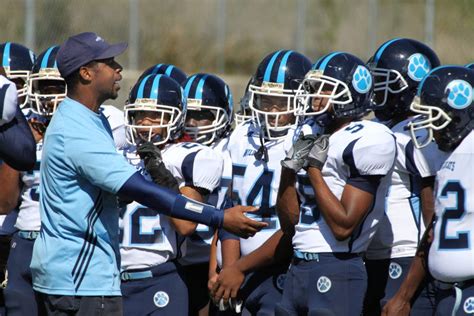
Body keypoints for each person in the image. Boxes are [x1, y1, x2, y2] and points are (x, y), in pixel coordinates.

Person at [30, 32, 265, 315]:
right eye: (109, 62)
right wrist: (218, 217)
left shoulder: (93, 121)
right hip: (79, 278)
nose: (119, 69)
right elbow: (141, 190)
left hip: (101, 274)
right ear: (85, 73)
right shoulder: (78, 130)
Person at [212, 50, 315, 315]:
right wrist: (229, 269)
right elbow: (229, 211)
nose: (272, 110)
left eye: (281, 102)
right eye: (266, 100)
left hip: (281, 268)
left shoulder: (307, 138)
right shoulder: (241, 135)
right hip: (236, 270)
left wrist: (238, 269)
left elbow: (295, 225)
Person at [121, 73, 222, 315]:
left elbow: (186, 225)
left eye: (156, 115)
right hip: (110, 279)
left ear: (176, 118)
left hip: (159, 276)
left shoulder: (187, 156)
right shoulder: (116, 154)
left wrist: (161, 175)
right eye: (139, 115)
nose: (145, 123)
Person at [364, 38, 446, 315]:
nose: (375, 89)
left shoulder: (417, 133)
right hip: (375, 254)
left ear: (408, 87)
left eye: (383, 81)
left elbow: (432, 213)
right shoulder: (380, 127)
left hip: (406, 256)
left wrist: (406, 292)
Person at [383, 65, 474, 316]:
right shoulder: (450, 156)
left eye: (435, 117)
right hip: (447, 291)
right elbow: (433, 230)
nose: (430, 128)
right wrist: (403, 295)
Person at [0, 45, 65, 316]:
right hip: (20, 240)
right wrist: (23, 146)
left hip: (65, 243)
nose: (50, 97)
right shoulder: (21, 125)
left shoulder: (106, 124)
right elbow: (5, 201)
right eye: (45, 87)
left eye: (18, 82)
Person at [182, 73, 234, 315]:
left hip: (217, 261)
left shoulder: (234, 149)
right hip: (179, 262)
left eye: (203, 116)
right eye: (188, 115)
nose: (193, 123)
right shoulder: (173, 151)